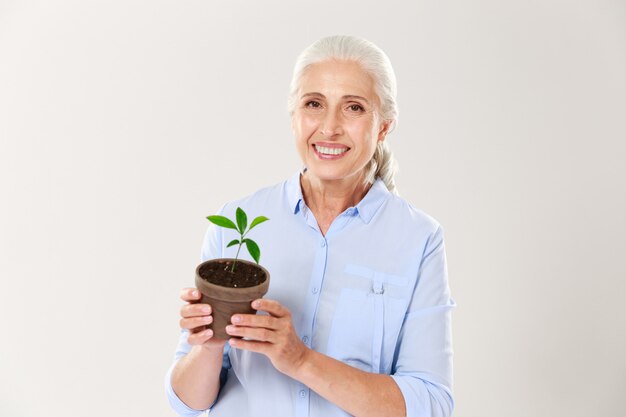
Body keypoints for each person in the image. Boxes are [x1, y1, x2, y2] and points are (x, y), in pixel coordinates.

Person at [165, 35, 455, 417]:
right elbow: (187, 404)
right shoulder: (239, 224)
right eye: (314, 104)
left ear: (383, 126)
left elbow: (431, 405)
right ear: (293, 116)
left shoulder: (419, 239)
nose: (330, 127)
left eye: (353, 108)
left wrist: (300, 359)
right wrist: (208, 342)